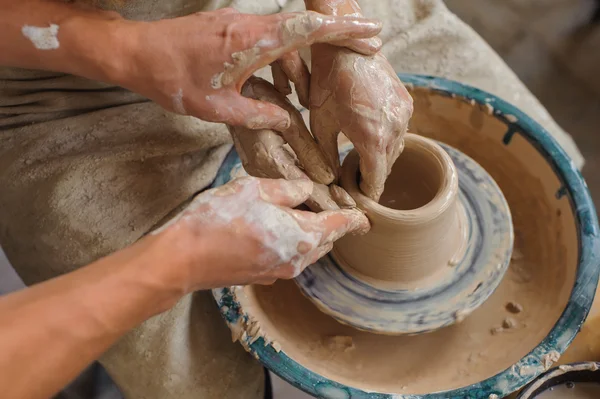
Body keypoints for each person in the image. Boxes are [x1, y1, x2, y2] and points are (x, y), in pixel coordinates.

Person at [0, 1, 585, 399]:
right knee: (197, 376)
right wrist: (179, 259)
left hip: (267, 18)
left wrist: (342, 30)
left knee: (564, 214)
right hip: (56, 73)